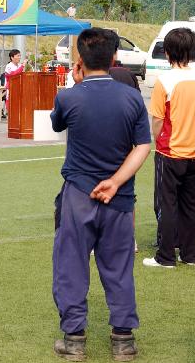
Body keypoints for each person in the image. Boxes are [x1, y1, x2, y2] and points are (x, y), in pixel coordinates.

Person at [50, 28, 151, 362]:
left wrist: (74, 83)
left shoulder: (69, 97)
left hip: (78, 194)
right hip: (119, 199)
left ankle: (74, 338)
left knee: (71, 264)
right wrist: (117, 180)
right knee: (119, 267)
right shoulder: (133, 98)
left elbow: (57, 123)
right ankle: (123, 339)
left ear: (79, 60)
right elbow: (142, 146)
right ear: (114, 59)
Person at [144, 27, 195, 269]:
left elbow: (158, 120)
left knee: (167, 204)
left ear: (168, 52)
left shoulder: (165, 80)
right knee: (194, 205)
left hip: (170, 152)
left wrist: (157, 140)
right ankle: (190, 254)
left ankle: (165, 256)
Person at [4, 49, 26, 114]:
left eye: (20, 56)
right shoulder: (9, 66)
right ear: (12, 57)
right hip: (11, 87)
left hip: (19, 86)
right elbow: (13, 74)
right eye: (18, 56)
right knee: (10, 102)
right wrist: (22, 66)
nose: (19, 57)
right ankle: (10, 116)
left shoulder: (19, 65)